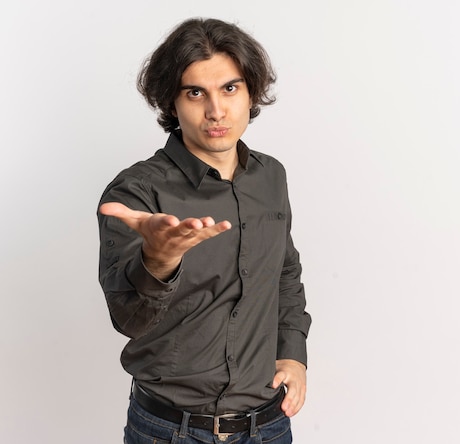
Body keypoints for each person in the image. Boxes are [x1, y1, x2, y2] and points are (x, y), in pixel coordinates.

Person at [97, 17, 311, 443]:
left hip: (268, 426)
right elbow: (128, 320)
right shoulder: (135, 192)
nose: (216, 111)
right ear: (171, 103)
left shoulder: (272, 177)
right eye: (196, 93)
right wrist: (158, 260)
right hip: (169, 431)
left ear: (250, 92)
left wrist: (293, 354)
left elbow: (284, 272)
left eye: (229, 88)